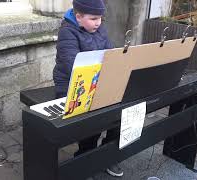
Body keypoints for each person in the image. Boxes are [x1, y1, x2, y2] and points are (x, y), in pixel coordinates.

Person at [52, 0, 123, 177]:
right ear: (78, 17)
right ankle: (85, 156)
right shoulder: (67, 32)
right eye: (93, 18)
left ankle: (108, 153)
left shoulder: (100, 29)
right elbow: (73, 67)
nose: (98, 22)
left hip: (97, 81)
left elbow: (111, 54)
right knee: (95, 117)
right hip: (71, 85)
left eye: (100, 18)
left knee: (122, 108)